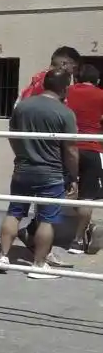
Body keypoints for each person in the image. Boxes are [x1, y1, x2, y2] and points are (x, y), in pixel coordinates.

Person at [0, 68, 79, 279]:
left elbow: (13, 136)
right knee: (46, 219)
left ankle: (2, 256)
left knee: (14, 212)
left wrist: (21, 155)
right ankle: (38, 265)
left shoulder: (22, 107)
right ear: (64, 88)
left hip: (23, 169)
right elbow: (70, 149)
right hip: (51, 172)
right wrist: (73, 176)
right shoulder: (65, 113)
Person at [64, 63, 103, 254]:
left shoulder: (67, 92)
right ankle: (78, 241)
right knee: (88, 197)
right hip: (92, 148)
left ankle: (39, 232)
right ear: (97, 80)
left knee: (60, 192)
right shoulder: (101, 94)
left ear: (76, 78)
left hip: (67, 147)